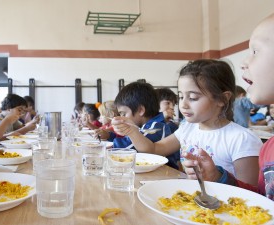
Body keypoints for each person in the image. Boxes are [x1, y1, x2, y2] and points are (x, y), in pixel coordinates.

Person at [112, 59, 262, 185]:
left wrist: (218, 178)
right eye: (181, 97)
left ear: (222, 99)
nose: (183, 105)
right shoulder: (188, 128)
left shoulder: (241, 139)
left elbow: (251, 194)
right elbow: (153, 149)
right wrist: (132, 131)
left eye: (193, 98)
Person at [182, 14, 274, 200]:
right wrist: (217, 177)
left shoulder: (243, 139)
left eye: (255, 51)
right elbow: (261, 203)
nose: (244, 62)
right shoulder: (269, 148)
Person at [109, 82, 180, 170]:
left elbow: (125, 150)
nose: (123, 118)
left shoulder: (157, 126)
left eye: (124, 113)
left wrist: (107, 148)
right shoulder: (145, 126)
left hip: (165, 175)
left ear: (140, 110)